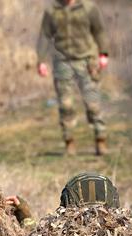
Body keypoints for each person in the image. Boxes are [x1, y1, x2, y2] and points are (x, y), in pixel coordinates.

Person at [37, 0, 110, 157]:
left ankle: (100, 138)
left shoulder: (88, 7)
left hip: (86, 60)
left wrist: (103, 53)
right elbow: (44, 35)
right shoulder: (52, 10)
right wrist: (41, 60)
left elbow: (99, 31)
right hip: (62, 61)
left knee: (93, 103)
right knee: (65, 104)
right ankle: (69, 142)